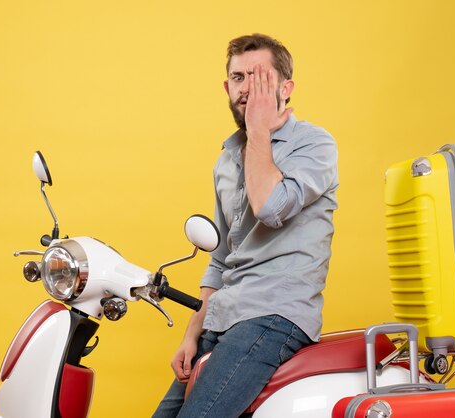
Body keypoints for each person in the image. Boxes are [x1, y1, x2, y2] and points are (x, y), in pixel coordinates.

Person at [152, 33, 339, 418]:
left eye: (260, 78)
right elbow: (221, 258)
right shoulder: (226, 160)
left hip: (275, 315)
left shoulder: (314, 144)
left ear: (286, 88)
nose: (247, 89)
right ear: (226, 86)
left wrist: (259, 128)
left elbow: (270, 207)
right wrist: (192, 336)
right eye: (238, 78)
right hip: (224, 317)